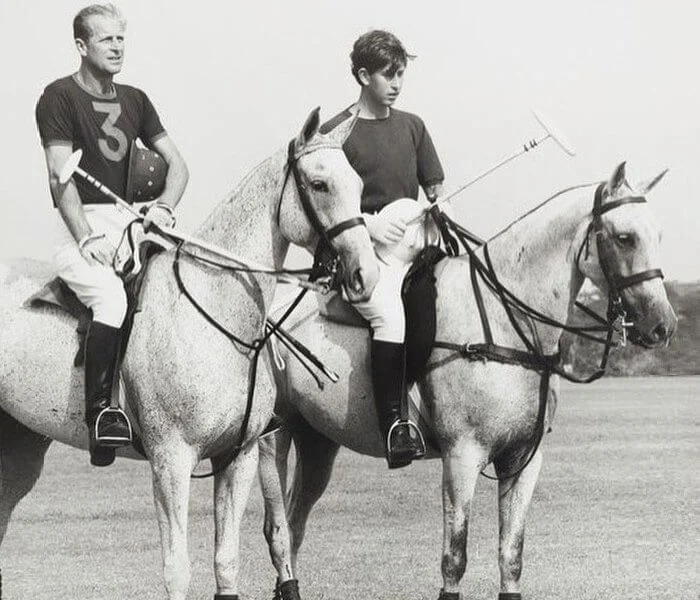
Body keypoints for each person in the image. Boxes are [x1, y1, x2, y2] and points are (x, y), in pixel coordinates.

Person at [35, 3, 189, 467]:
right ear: (82, 46)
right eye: (107, 39)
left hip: (134, 221)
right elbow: (60, 179)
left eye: (121, 38)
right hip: (85, 226)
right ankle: (101, 414)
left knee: (181, 287)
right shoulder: (57, 97)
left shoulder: (137, 99)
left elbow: (178, 168)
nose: (117, 46)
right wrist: (86, 238)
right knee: (111, 299)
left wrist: (162, 208)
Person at [322, 30, 445, 468]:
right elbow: (323, 202)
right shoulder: (336, 132)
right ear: (362, 75)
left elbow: (433, 188)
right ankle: (393, 424)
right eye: (388, 75)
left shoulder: (413, 126)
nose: (397, 84)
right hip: (362, 255)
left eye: (401, 74)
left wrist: (434, 207)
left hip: (413, 251)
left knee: (430, 324)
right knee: (390, 316)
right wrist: (369, 227)